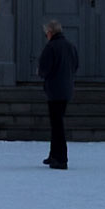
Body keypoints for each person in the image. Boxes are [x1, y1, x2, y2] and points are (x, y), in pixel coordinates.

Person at [38, 19, 79, 169]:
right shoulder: (70, 46)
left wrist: (42, 73)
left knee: (57, 125)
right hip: (66, 89)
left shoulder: (51, 47)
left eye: (46, 33)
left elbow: (44, 69)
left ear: (50, 32)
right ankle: (54, 154)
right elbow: (75, 65)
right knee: (57, 122)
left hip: (54, 90)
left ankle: (61, 158)